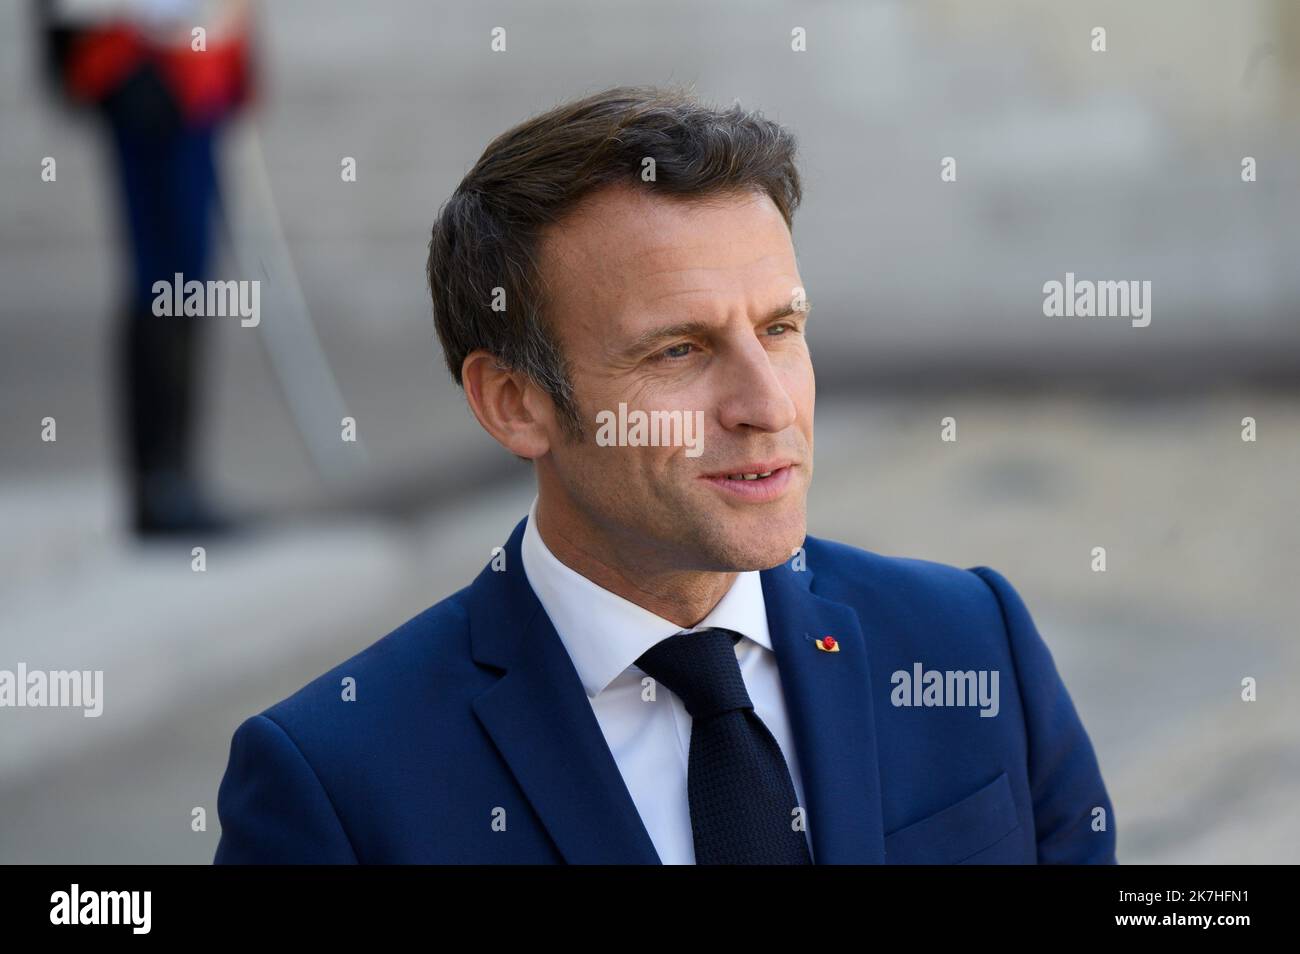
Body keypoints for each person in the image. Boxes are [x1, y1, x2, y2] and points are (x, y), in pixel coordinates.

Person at [213, 85, 1116, 864]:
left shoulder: (969, 643)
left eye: (780, 329)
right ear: (515, 403)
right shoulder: (339, 782)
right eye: (679, 351)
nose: (767, 405)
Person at [38, 0, 254, 535]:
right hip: (138, 58)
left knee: (188, 277)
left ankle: (176, 474)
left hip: (195, 63)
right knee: (163, 275)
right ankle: (159, 484)